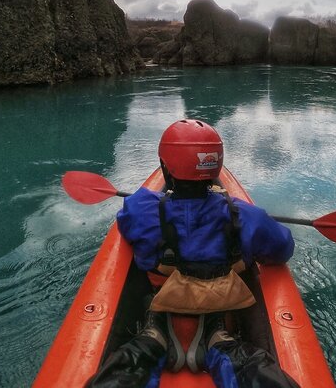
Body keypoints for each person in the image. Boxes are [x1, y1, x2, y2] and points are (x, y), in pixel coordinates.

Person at [87, 119, 300, 388]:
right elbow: (283, 248)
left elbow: (127, 221)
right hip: (224, 300)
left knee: (129, 361)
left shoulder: (141, 207)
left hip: (164, 297)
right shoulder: (245, 216)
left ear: (166, 167)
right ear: (215, 167)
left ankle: (154, 337)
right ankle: (219, 341)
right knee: (249, 363)